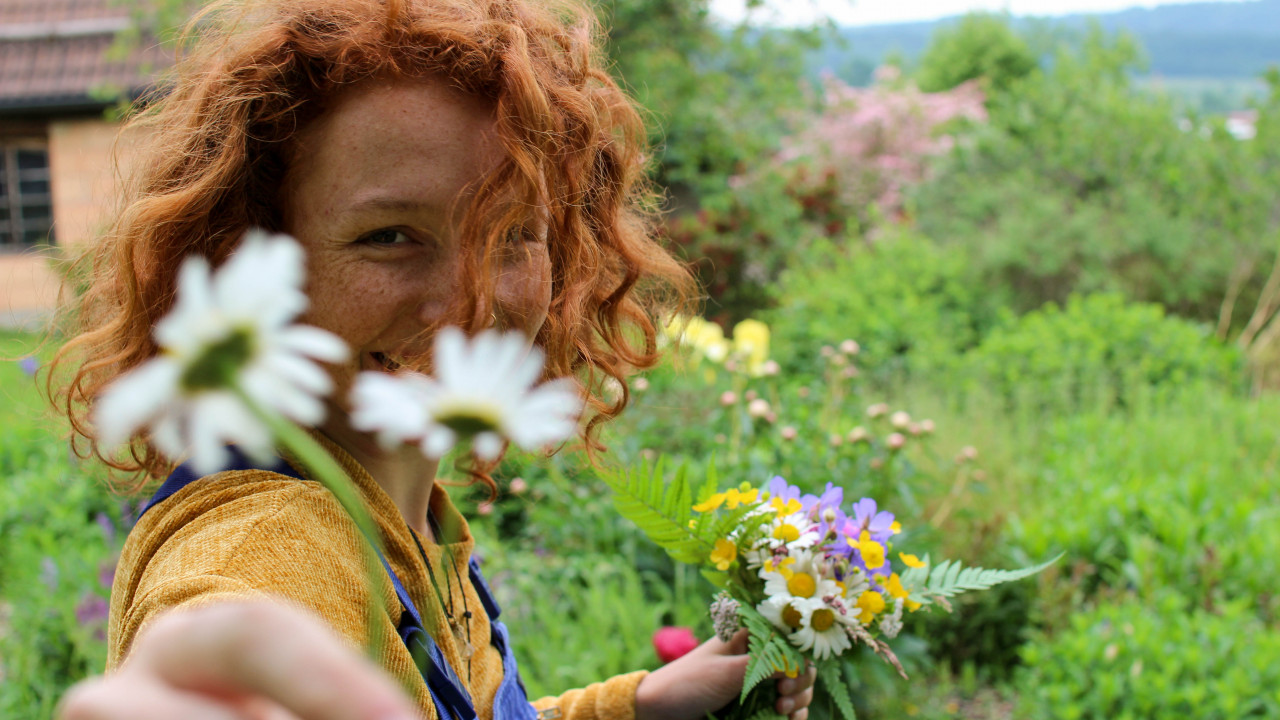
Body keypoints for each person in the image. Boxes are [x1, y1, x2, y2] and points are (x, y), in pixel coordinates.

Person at [50, 1, 819, 719]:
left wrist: (639, 703)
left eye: (515, 232)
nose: (470, 308)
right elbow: (227, 630)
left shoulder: (405, 512)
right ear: (245, 264)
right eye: (389, 235)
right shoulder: (268, 542)